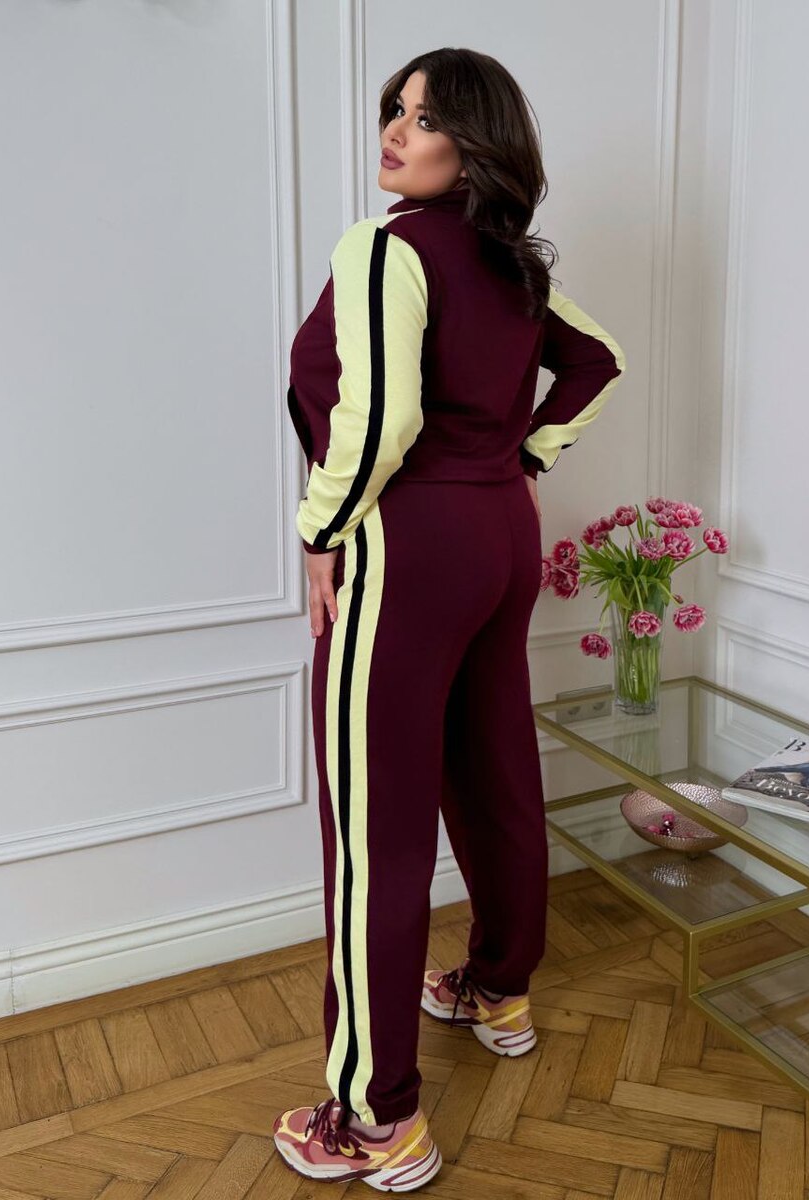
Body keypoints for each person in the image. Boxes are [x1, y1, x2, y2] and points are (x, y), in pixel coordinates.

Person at [272, 47, 627, 1192]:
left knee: (374, 835)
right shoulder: (508, 261)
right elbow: (598, 360)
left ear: (474, 145)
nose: (396, 130)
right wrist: (527, 457)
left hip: (409, 544)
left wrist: (321, 530)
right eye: (396, 108)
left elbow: (378, 421)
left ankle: (374, 1115)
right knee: (492, 770)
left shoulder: (388, 248)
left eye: (424, 118)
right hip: (499, 539)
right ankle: (498, 988)